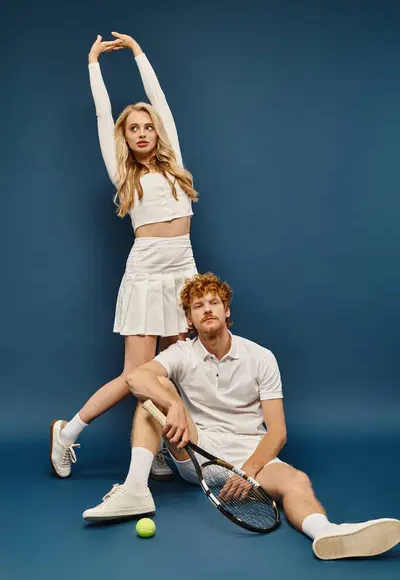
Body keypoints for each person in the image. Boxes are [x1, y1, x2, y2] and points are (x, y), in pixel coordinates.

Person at [82, 272, 400, 561]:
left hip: (250, 455)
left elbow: (277, 432)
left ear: (227, 310)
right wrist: (174, 404)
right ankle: (136, 489)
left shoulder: (261, 358)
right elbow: (135, 379)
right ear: (189, 319)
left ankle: (325, 532)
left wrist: (248, 470)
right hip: (196, 448)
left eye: (214, 302)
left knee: (297, 480)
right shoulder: (181, 352)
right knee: (153, 389)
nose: (207, 309)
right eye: (198, 306)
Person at [50, 32, 198, 481]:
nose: (141, 133)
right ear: (125, 137)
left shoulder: (174, 165)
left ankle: (152, 445)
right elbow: (101, 114)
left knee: (174, 371)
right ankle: (67, 433)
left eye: (147, 126)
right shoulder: (123, 175)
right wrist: (94, 63)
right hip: (148, 272)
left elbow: (162, 101)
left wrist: (138, 53)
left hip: (184, 271)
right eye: (132, 128)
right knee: (136, 372)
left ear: (157, 131)